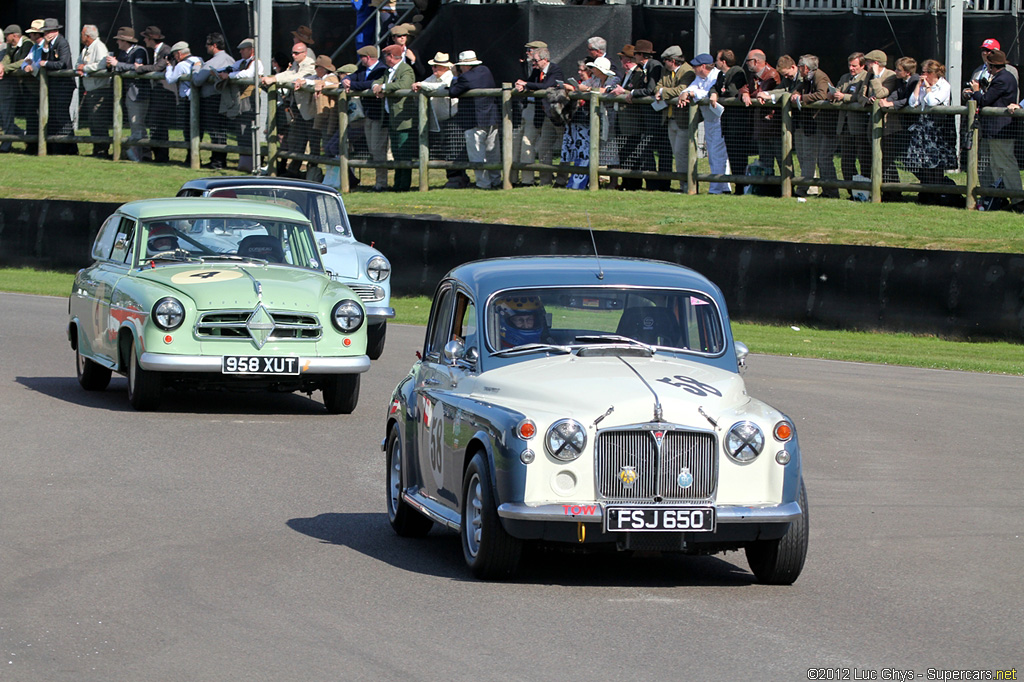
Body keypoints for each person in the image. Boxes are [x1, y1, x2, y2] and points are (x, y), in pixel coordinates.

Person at [966, 49, 1022, 204]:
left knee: (1006, 163)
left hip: (1001, 129)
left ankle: (1018, 198)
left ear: (991, 65)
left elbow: (985, 101)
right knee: (997, 164)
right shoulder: (1003, 77)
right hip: (996, 130)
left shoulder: (1002, 79)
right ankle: (1000, 197)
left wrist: (976, 91)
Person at [903, 59, 958, 204]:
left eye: (925, 72)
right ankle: (926, 194)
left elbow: (932, 101)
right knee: (922, 163)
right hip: (923, 129)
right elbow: (913, 102)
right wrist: (918, 86)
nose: (923, 75)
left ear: (932, 73)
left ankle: (937, 195)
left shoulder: (944, 85)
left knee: (936, 165)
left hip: (938, 131)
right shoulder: (922, 85)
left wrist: (927, 88)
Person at [412, 51, 469, 188]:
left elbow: (441, 87)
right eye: (433, 66)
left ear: (445, 68)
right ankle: (455, 177)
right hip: (440, 120)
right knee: (446, 149)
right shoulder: (432, 77)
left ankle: (457, 178)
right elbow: (426, 84)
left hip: (453, 118)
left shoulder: (451, 77)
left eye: (436, 67)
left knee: (454, 148)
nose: (434, 69)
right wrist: (420, 85)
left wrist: (421, 85)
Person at [447, 50, 501, 189]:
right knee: (492, 153)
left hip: (474, 120)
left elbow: (453, 91)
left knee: (477, 154)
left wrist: (454, 76)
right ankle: (496, 181)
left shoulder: (465, 78)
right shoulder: (485, 70)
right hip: (491, 118)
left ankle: (483, 183)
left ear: (465, 65)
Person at [678, 53, 730, 194]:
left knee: (717, 154)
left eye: (695, 66)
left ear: (702, 66)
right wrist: (686, 93)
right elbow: (691, 87)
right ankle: (724, 187)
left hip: (719, 120)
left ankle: (716, 189)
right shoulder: (699, 77)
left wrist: (692, 93)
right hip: (709, 120)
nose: (693, 68)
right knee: (714, 154)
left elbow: (708, 92)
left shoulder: (717, 75)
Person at [262, 42, 316, 178]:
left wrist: (274, 78)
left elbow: (295, 77)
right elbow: (290, 73)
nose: (293, 55)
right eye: (292, 52)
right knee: (296, 139)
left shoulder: (310, 64)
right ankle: (293, 170)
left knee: (313, 141)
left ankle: (313, 171)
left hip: (309, 110)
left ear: (304, 53)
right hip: (297, 109)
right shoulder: (296, 65)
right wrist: (273, 78)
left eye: (296, 53)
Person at [515, 46, 564, 187]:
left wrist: (527, 84)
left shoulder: (555, 70)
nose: (533, 63)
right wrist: (523, 87)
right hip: (545, 116)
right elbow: (532, 84)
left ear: (545, 59)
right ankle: (545, 182)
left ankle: (562, 180)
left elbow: (547, 86)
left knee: (565, 148)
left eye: (535, 61)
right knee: (543, 148)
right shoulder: (537, 71)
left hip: (558, 116)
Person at [341, 45, 388, 190]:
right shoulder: (362, 70)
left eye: (362, 57)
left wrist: (353, 84)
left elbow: (371, 84)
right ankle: (378, 181)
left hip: (379, 116)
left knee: (378, 149)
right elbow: (352, 76)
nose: (360, 60)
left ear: (368, 57)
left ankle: (381, 183)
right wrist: (346, 81)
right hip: (367, 114)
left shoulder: (381, 69)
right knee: (372, 149)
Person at [791, 55, 838, 198]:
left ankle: (831, 191)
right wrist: (795, 94)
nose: (798, 69)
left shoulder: (820, 77)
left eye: (800, 66)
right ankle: (805, 189)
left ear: (805, 67)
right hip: (812, 124)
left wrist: (802, 99)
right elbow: (797, 89)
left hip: (826, 124)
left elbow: (822, 95)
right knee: (809, 156)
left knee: (824, 158)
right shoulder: (806, 78)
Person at [373, 44, 416, 191]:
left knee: (403, 152)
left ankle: (404, 185)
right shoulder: (388, 71)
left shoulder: (406, 69)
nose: (385, 58)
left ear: (391, 57)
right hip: (391, 116)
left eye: (386, 55)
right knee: (397, 153)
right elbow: (377, 80)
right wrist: (376, 86)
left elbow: (404, 84)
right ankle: (397, 184)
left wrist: (384, 87)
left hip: (403, 117)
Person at [216, 37, 264, 170]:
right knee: (240, 129)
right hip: (241, 99)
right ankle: (244, 162)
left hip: (250, 99)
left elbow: (248, 74)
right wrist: (220, 72)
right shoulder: (242, 62)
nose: (241, 51)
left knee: (248, 129)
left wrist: (229, 76)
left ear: (251, 50)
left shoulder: (256, 63)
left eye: (243, 49)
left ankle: (251, 164)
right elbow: (232, 68)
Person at [653, 45, 695, 190]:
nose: (664, 63)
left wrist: (663, 92)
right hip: (669, 119)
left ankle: (686, 186)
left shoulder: (688, 71)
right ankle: (683, 184)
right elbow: (658, 86)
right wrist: (661, 91)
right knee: (677, 153)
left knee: (681, 153)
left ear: (672, 60)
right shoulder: (665, 71)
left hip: (683, 119)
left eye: (665, 60)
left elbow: (681, 90)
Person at [105, 27, 149, 162]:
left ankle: (141, 155)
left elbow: (137, 67)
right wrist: (110, 66)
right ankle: (140, 154)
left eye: (119, 40)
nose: (117, 43)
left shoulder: (140, 51)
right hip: (128, 94)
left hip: (138, 94)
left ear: (125, 41)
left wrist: (118, 64)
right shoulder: (123, 53)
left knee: (137, 124)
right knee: (133, 124)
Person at [860, 49, 901, 193]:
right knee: (875, 158)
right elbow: (861, 95)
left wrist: (877, 76)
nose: (866, 65)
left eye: (868, 62)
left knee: (887, 160)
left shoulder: (891, 76)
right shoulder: (868, 76)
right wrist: (867, 100)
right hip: (872, 123)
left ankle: (893, 191)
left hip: (888, 125)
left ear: (876, 63)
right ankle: (879, 189)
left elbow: (881, 93)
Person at [193, 33, 234, 169]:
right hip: (226, 99)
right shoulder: (231, 60)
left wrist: (197, 66)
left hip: (212, 100)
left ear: (214, 46)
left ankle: (217, 162)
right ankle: (219, 160)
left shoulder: (212, 63)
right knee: (221, 131)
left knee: (215, 131)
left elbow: (197, 80)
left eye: (208, 44)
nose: (206, 47)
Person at [831, 52, 870, 193]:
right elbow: (838, 90)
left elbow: (861, 96)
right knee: (846, 160)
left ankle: (864, 190)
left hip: (860, 126)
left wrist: (844, 97)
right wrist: (834, 94)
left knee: (864, 159)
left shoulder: (867, 77)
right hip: (844, 125)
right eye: (850, 65)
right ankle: (850, 190)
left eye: (854, 66)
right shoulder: (844, 77)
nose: (851, 68)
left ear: (862, 65)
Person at [739, 49, 781, 175]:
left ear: (756, 61)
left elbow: (761, 93)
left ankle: (788, 189)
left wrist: (748, 94)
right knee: (765, 160)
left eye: (748, 61)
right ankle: (767, 187)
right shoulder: (754, 76)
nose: (746, 64)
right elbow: (745, 87)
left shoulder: (772, 75)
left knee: (782, 159)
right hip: (761, 126)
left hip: (773, 125)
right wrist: (744, 93)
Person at [37, 18, 76, 155]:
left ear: (55, 31)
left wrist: (46, 64)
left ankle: (70, 146)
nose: (46, 34)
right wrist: (46, 49)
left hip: (64, 85)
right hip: (54, 86)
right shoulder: (48, 45)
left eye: (49, 31)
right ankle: (57, 147)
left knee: (62, 115)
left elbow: (62, 64)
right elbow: (44, 58)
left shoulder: (62, 43)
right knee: (54, 115)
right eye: (45, 32)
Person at [714, 49, 749, 193]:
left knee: (739, 156)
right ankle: (737, 186)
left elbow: (732, 91)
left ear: (723, 61)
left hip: (738, 124)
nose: (715, 62)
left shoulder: (737, 72)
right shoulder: (720, 75)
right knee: (733, 156)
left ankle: (742, 187)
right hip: (727, 124)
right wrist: (714, 93)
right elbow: (714, 88)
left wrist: (720, 93)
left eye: (717, 59)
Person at [137, 26, 173, 162]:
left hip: (165, 94)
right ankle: (158, 154)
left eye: (145, 38)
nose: (144, 40)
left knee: (161, 125)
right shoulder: (156, 51)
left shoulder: (166, 51)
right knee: (155, 124)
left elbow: (157, 67)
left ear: (151, 39)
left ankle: (162, 156)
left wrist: (140, 68)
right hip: (157, 93)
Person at [164, 41, 202, 164]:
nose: (174, 57)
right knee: (198, 128)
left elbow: (170, 79)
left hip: (187, 100)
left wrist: (169, 67)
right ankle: (196, 155)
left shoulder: (181, 66)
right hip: (199, 98)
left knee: (187, 129)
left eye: (175, 55)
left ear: (179, 53)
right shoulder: (199, 59)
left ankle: (190, 157)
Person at [0, 25, 33, 152]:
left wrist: (4, 68)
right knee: (3, 118)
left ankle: (8, 144)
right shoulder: (10, 46)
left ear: (14, 35)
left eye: (7, 35)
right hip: (19, 86)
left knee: (8, 116)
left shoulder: (27, 44)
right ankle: (22, 135)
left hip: (26, 87)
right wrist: (2, 65)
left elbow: (24, 61)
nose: (5, 38)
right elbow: (7, 58)